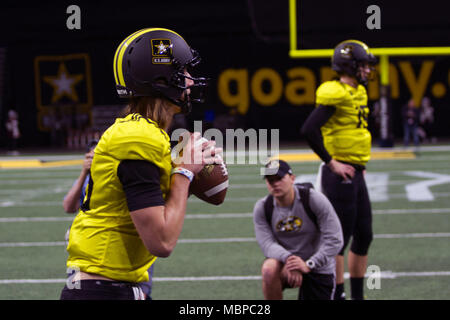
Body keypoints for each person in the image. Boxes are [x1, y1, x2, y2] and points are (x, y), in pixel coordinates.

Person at [60, 28, 220, 300]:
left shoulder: (143, 132)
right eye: (183, 72)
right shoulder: (138, 137)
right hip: (103, 289)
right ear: (160, 78)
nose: (191, 81)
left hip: (116, 286)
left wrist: (182, 174)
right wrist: (183, 173)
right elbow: (161, 242)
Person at [301, 40, 377, 300]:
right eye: (364, 65)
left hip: (356, 171)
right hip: (338, 174)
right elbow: (309, 129)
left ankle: (357, 296)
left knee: (364, 235)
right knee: (338, 239)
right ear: (350, 65)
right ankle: (338, 294)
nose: (368, 70)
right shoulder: (335, 92)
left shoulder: (358, 92)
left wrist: (359, 164)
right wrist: (332, 162)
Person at [253, 160, 343, 300]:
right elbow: (267, 245)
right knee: (269, 269)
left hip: (317, 265)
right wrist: (290, 260)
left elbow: (335, 239)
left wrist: (308, 264)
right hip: (286, 265)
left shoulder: (314, 199)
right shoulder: (263, 207)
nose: (275, 184)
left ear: (292, 178)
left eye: (279, 178)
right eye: (270, 180)